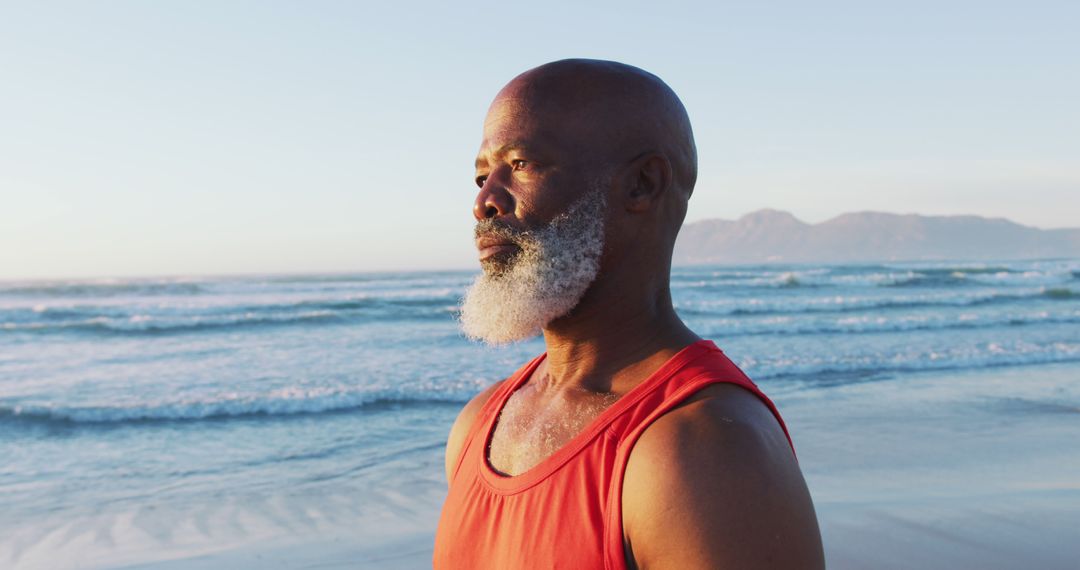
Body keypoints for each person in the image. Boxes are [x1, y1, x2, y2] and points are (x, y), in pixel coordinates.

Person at [434, 59, 824, 570]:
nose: (484, 201)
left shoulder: (705, 449)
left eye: (521, 164)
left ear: (642, 185)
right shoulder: (478, 425)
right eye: (483, 175)